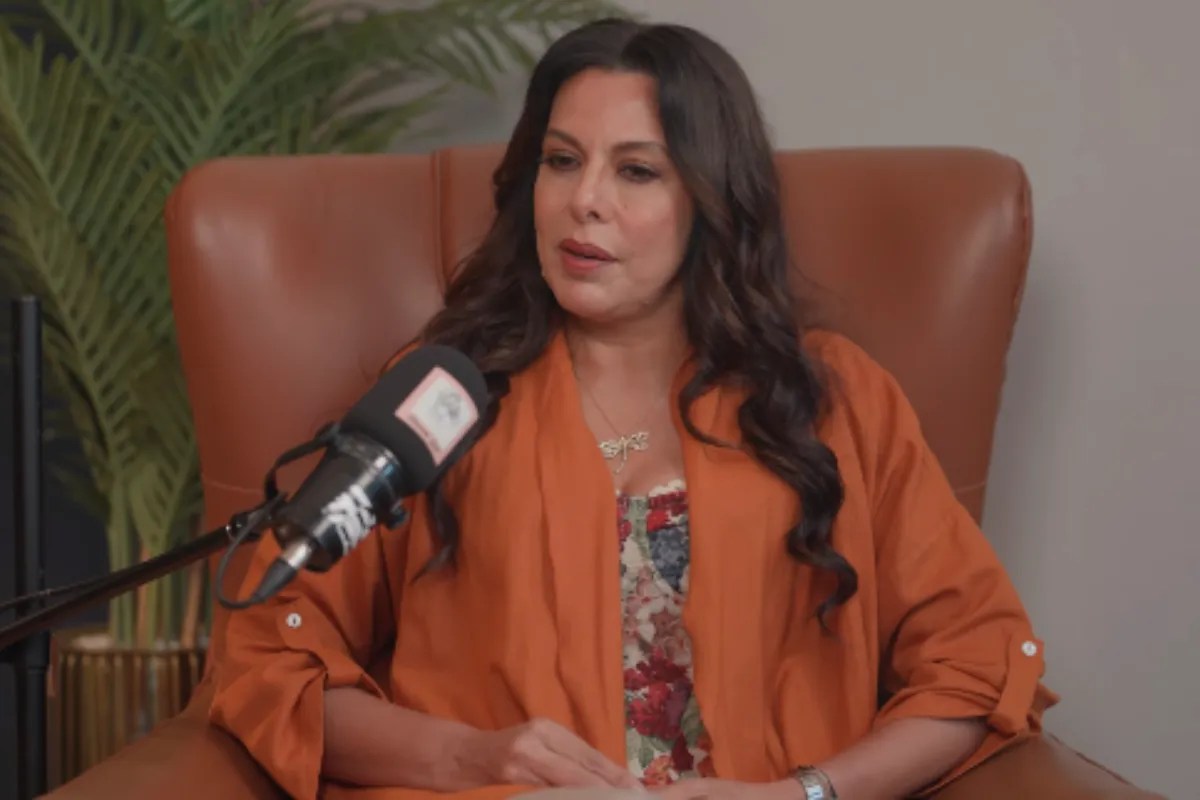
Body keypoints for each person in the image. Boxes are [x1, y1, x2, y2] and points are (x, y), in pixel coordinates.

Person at [209, 17, 1056, 800]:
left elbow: (978, 663)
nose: (585, 200)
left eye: (637, 171)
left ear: (711, 202)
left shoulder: (834, 401)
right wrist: (471, 757)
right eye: (561, 160)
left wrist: (800, 796)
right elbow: (269, 651)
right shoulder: (443, 398)